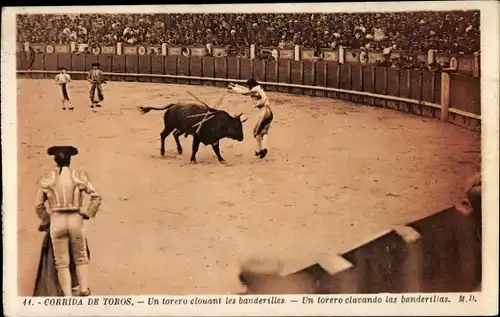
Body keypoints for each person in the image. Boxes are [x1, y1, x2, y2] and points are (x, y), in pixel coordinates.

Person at [34, 146, 102, 296]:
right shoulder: (79, 176)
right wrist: (86, 213)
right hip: (75, 219)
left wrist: (46, 220)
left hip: (56, 220)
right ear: (70, 160)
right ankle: (83, 290)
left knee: (61, 262)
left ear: (55, 160)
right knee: (81, 256)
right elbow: (96, 197)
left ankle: (67, 295)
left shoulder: (47, 178)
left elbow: (38, 205)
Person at [228, 78, 274, 159]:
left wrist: (233, 88)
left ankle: (263, 149)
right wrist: (235, 85)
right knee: (263, 131)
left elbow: (245, 92)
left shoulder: (255, 91)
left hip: (264, 113)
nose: (248, 87)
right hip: (269, 112)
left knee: (257, 133)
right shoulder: (258, 89)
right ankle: (261, 149)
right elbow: (245, 89)